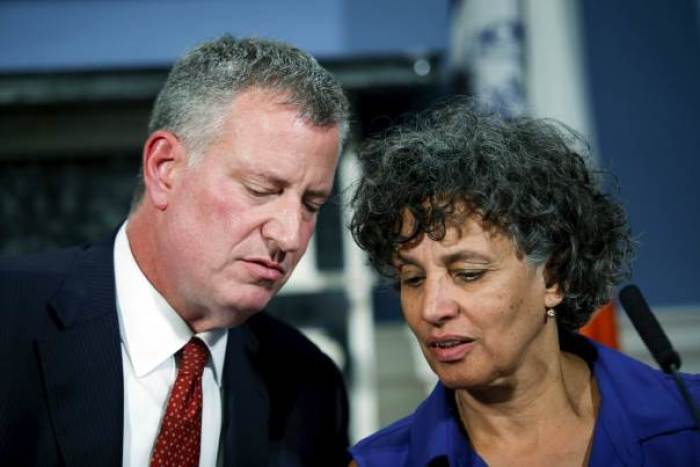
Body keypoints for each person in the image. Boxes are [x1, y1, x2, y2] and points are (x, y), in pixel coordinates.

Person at [0, 35, 351, 467]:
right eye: (262, 190)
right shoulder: (9, 319)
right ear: (165, 169)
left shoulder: (309, 387)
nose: (290, 236)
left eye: (311, 204)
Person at [348, 98, 700, 466]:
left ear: (554, 276)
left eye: (468, 273)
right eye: (413, 278)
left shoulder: (689, 422)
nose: (432, 309)